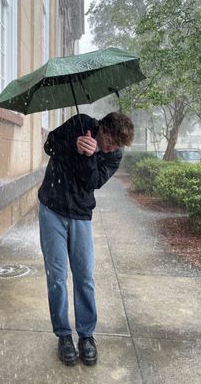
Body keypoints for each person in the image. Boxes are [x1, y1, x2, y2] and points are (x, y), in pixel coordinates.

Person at [38, 112, 134, 366]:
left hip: (81, 215)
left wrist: (90, 155)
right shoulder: (79, 123)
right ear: (101, 128)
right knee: (57, 277)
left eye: (116, 146)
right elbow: (50, 145)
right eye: (110, 141)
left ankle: (86, 335)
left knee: (84, 276)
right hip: (52, 208)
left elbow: (93, 181)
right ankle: (63, 335)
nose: (111, 148)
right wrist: (74, 144)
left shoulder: (114, 155)